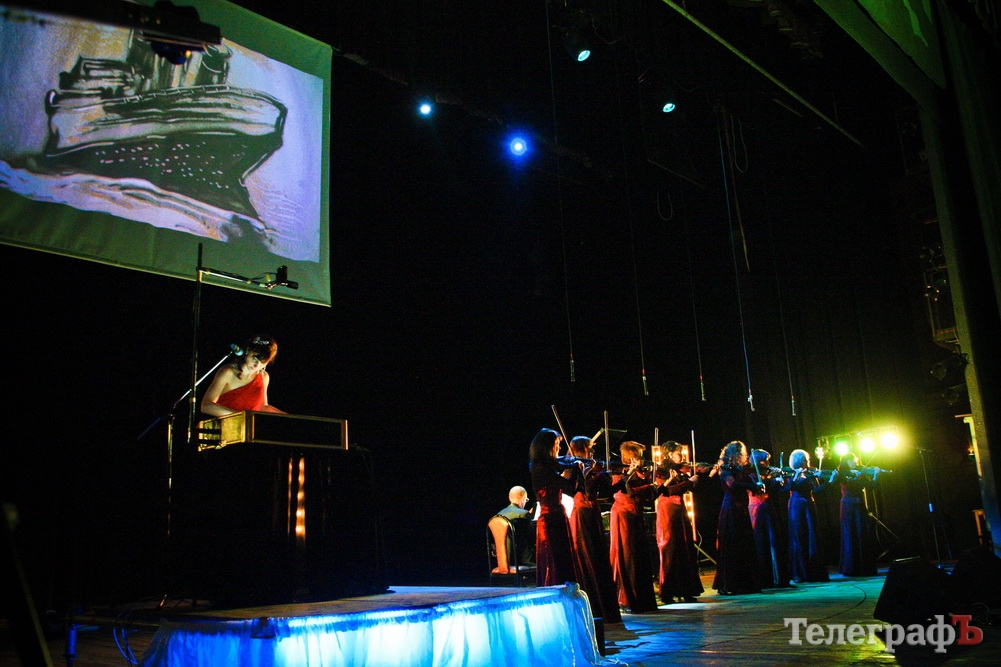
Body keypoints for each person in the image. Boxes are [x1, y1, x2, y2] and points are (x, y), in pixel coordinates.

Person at [566, 435, 621, 624]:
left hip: (593, 513)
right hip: (581, 515)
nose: (593, 451)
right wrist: (591, 473)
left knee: (599, 558)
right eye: (590, 448)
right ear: (581, 449)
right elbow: (577, 489)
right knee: (588, 556)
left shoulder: (592, 467)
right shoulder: (572, 468)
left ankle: (606, 608)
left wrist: (608, 479)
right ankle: (593, 606)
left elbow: (608, 492)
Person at [609, 440, 659, 613]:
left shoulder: (640, 473)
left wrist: (649, 483)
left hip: (636, 515)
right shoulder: (619, 473)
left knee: (639, 555)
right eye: (637, 456)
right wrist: (645, 484)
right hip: (623, 515)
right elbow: (625, 492)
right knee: (627, 555)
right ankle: (626, 598)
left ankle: (642, 599)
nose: (640, 460)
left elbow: (649, 496)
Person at [529, 428, 583, 587]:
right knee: (555, 562)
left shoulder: (548, 467)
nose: (559, 447)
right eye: (556, 444)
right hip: (550, 521)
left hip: (558, 517)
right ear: (547, 446)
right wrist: (576, 469)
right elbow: (570, 488)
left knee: (563, 560)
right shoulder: (540, 468)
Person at [653, 441, 704, 603]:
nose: (681, 456)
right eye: (678, 453)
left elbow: (688, 488)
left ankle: (686, 590)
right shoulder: (661, 470)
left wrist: (693, 480)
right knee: (670, 549)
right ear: (669, 454)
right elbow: (667, 491)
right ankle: (668, 592)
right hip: (667, 511)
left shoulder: (680, 470)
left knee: (685, 547)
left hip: (680, 510)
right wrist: (688, 482)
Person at [712, 440, 762, 595]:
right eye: (740, 454)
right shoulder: (724, 469)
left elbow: (747, 483)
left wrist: (755, 482)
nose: (743, 457)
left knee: (744, 545)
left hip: (741, 509)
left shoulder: (741, 470)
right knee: (732, 546)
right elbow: (733, 485)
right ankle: (728, 584)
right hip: (731, 509)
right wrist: (752, 485)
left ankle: (745, 583)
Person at [201, 335, 285, 416]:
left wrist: (289, 418)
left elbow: (262, 407)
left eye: (263, 362)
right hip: (224, 424)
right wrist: (241, 416)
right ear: (248, 351)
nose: (257, 365)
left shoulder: (264, 377)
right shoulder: (228, 372)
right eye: (254, 358)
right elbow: (206, 406)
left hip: (246, 424)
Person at [830, 452, 882, 576]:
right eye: (851, 461)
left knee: (862, 533)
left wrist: (875, 475)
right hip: (847, 506)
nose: (854, 462)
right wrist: (855, 477)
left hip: (859, 506)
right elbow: (848, 485)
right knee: (850, 534)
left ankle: (865, 567)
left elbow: (871, 486)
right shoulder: (842, 474)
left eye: (854, 460)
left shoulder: (860, 472)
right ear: (846, 462)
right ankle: (851, 568)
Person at [747, 449, 792, 589]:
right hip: (757, 509)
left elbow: (772, 490)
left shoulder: (767, 472)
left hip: (767, 507)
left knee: (774, 540)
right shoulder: (751, 474)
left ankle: (778, 577)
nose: (768, 463)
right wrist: (770, 480)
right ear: (758, 462)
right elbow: (757, 489)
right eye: (765, 460)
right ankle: (765, 577)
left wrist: (778, 482)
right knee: (762, 541)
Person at [785, 448, 830, 583]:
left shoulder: (810, 473)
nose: (808, 462)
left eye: (808, 459)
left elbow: (816, 490)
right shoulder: (793, 473)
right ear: (799, 461)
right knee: (799, 537)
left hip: (809, 506)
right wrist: (804, 476)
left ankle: (814, 572)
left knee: (812, 537)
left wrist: (829, 482)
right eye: (805, 460)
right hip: (797, 506)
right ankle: (800, 572)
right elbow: (791, 487)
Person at [496, 485, 535, 568]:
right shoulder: (523, 514)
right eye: (526, 500)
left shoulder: (498, 515)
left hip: (502, 561)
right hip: (521, 561)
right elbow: (533, 537)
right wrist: (530, 517)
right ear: (523, 499)